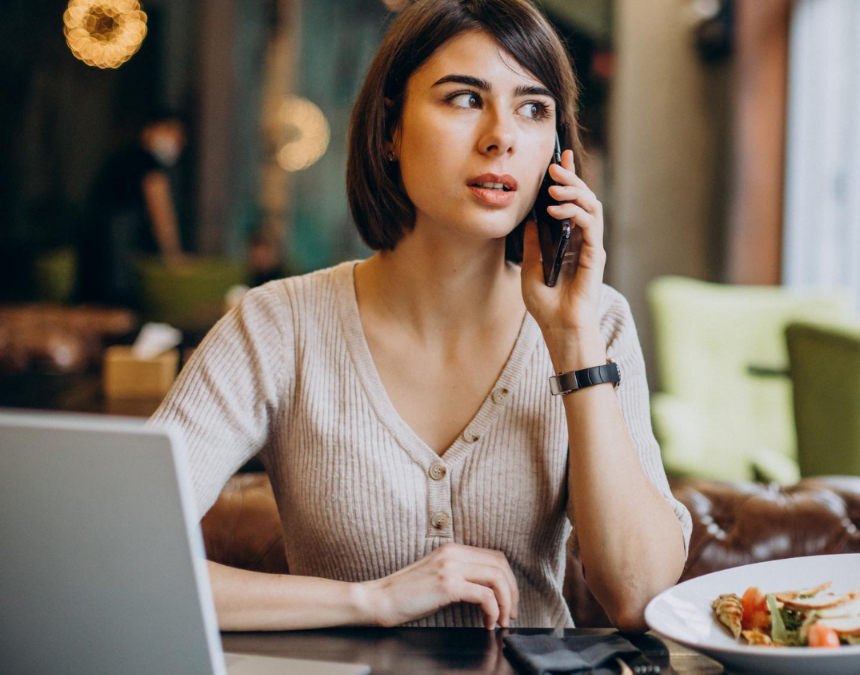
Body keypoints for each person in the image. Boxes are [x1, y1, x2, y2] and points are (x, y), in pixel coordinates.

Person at [148, 0, 691, 632]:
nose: (501, 136)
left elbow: (637, 595)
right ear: (389, 131)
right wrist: (370, 600)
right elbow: (118, 553)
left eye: (533, 107)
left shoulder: (598, 322)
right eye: (464, 98)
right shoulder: (277, 326)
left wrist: (573, 341)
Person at [75, 110, 188, 306]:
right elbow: (160, 213)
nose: (176, 141)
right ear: (149, 130)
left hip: (97, 249)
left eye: (180, 136)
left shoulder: (125, 157)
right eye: (170, 131)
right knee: (114, 309)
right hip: (111, 254)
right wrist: (174, 257)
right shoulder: (147, 162)